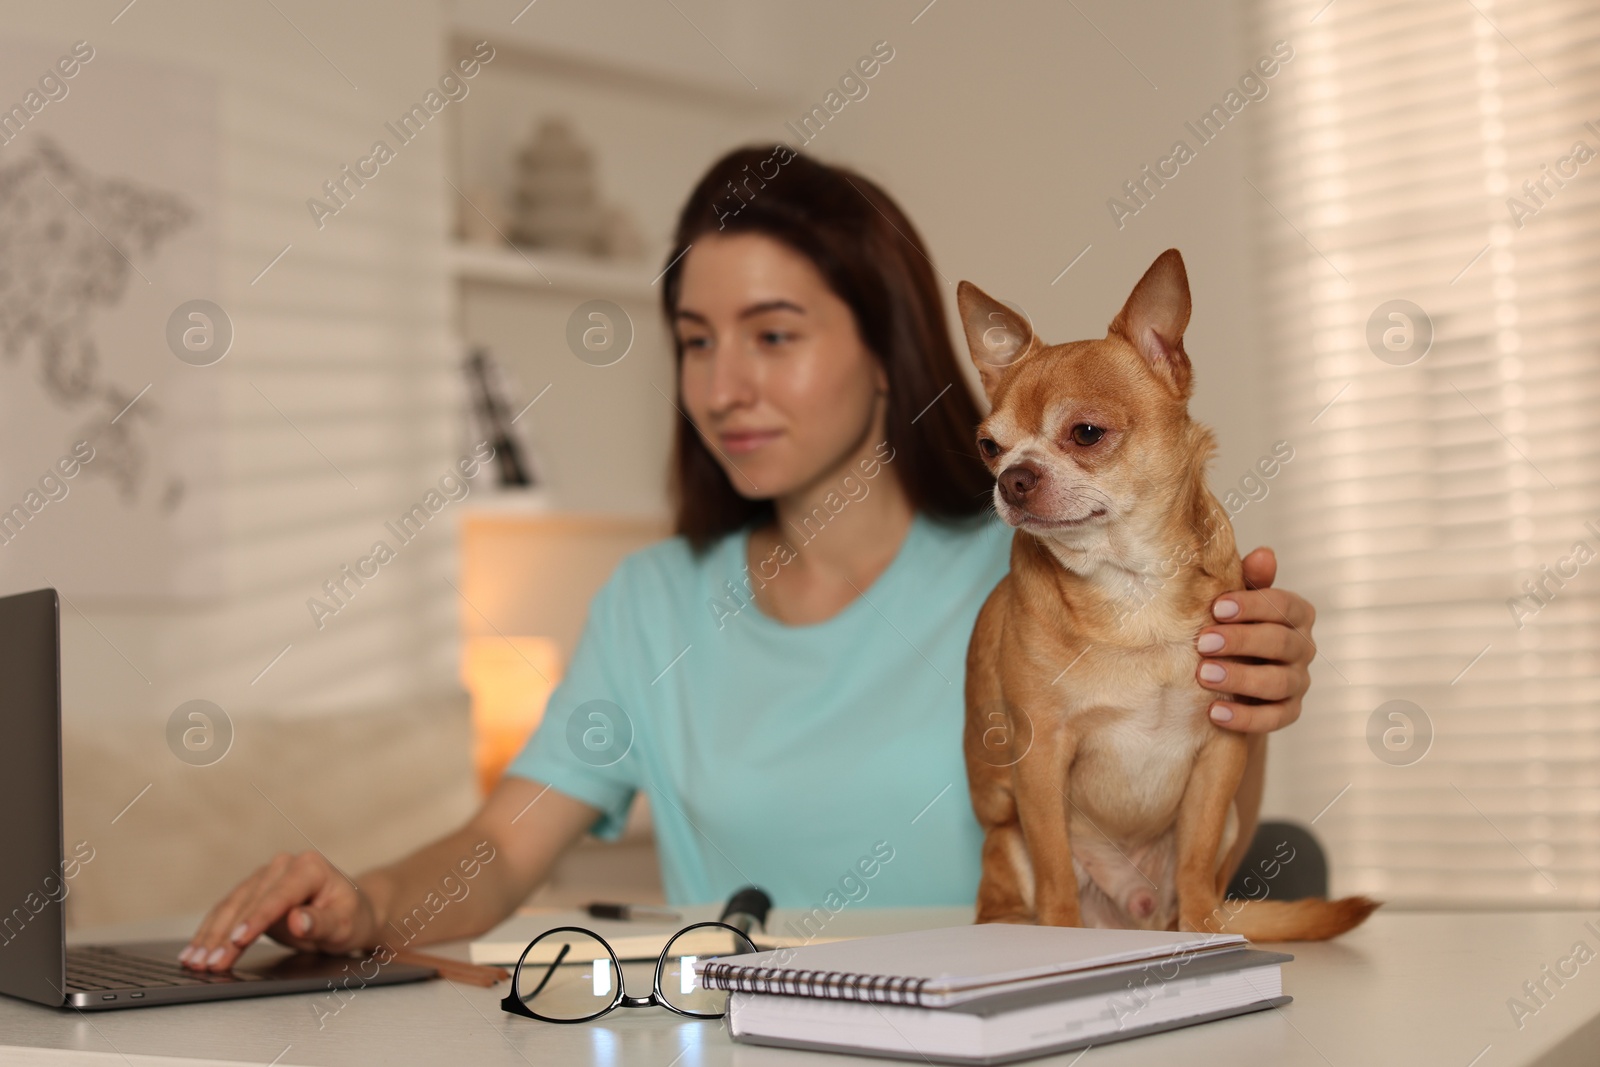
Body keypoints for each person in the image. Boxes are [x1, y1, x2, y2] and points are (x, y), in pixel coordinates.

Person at [179, 146, 1317, 971]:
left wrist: (1245, 696)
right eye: (694, 342)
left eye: (774, 334)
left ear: (885, 351)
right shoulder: (652, 606)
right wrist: (362, 897)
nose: (725, 385)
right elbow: (497, 847)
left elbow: (1177, 820)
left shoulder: (1043, 559)